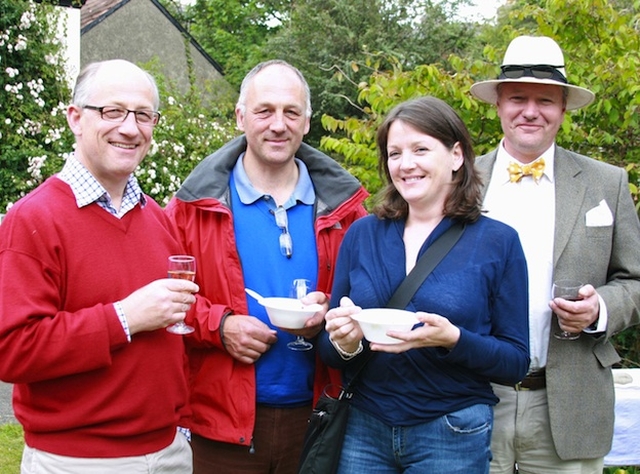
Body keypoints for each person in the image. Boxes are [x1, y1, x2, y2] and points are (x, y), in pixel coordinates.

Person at [165, 59, 369, 474]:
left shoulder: (348, 213)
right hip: (221, 423)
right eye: (265, 111)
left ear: (307, 122)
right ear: (240, 117)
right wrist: (220, 327)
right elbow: (164, 298)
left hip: (320, 416)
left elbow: (371, 294)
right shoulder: (192, 207)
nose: (279, 124)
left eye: (291, 112)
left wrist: (329, 312)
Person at [0, 60, 198, 473]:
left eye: (143, 115)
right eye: (112, 111)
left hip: (169, 454)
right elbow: (13, 351)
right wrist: (123, 318)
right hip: (78, 461)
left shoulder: (157, 220)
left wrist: (179, 429)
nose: (130, 128)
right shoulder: (33, 220)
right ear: (76, 118)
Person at [318, 96, 530, 473]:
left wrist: (453, 339)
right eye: (394, 153)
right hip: (364, 427)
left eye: (420, 149)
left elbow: (514, 363)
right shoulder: (362, 234)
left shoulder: (498, 242)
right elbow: (330, 349)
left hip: (451, 430)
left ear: (456, 156)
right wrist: (343, 341)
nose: (406, 164)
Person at [469, 35, 640, 473]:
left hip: (570, 402)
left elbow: (635, 281)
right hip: (472, 399)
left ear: (563, 108)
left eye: (545, 99)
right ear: (499, 105)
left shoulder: (607, 183)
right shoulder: (461, 182)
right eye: (518, 98)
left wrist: (600, 308)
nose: (531, 110)